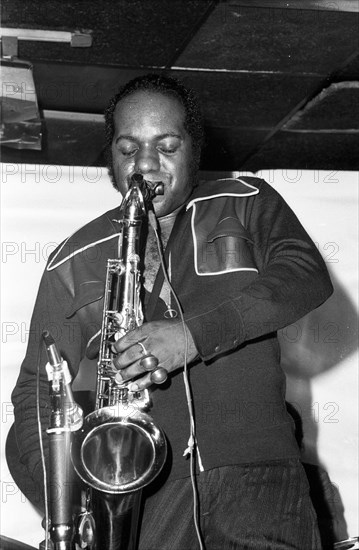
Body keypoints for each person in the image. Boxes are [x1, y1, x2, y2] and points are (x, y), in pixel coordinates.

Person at [9, 73, 333, 549]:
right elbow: (37, 390)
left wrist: (191, 336)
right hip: (148, 497)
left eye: (166, 145)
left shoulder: (246, 203)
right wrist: (68, 510)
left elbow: (305, 274)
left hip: (260, 480)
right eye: (127, 149)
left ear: (193, 149)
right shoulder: (74, 257)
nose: (145, 164)